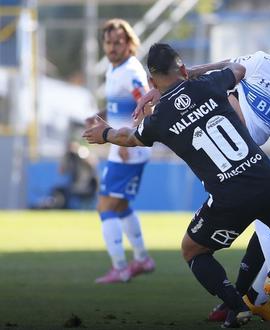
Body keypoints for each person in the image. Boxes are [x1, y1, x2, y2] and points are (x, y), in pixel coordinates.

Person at [84, 43, 270, 328]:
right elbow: (237, 68)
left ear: (150, 80)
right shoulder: (210, 85)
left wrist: (104, 132)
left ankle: (237, 306)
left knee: (193, 251)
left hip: (229, 194)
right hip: (264, 177)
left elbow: (130, 137)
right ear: (183, 69)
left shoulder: (158, 119)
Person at [87, 18, 155, 284]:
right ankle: (142, 259)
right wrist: (101, 115)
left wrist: (130, 138)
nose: (113, 47)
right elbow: (123, 106)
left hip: (128, 148)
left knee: (105, 206)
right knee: (121, 205)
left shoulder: (131, 71)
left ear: (129, 44)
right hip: (121, 145)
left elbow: (147, 104)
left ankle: (120, 268)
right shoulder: (115, 69)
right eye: (109, 42)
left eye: (118, 42)